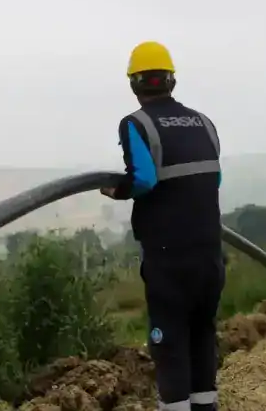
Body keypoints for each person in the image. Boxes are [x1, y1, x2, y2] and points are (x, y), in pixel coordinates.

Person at [100, 41, 224, 411]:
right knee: (202, 333)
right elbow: (214, 180)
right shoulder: (203, 123)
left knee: (169, 342)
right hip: (210, 253)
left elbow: (143, 178)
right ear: (171, 80)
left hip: (169, 258)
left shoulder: (136, 124)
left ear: (134, 84)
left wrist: (116, 190)